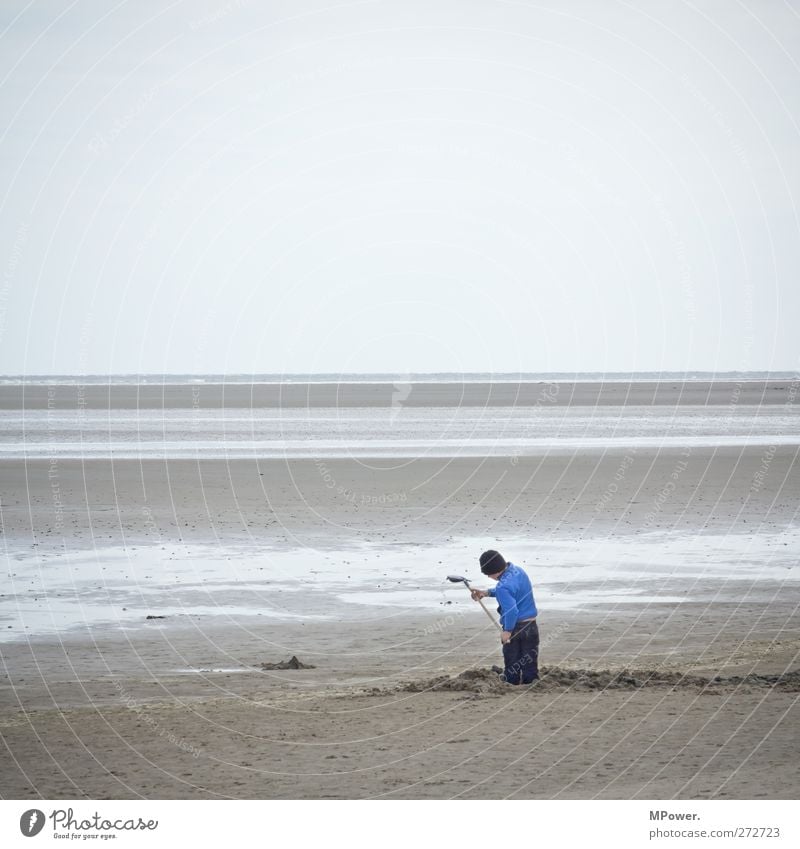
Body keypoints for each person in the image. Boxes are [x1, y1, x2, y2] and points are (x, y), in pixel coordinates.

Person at [471, 550, 539, 684]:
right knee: (529, 661)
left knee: (512, 662)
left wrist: (507, 631)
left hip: (516, 628)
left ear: (493, 572)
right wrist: (486, 593)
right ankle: (531, 685)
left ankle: (511, 684)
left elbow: (512, 610)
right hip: (531, 626)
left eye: (488, 574)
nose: (489, 577)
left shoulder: (502, 587)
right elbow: (509, 590)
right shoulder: (518, 571)